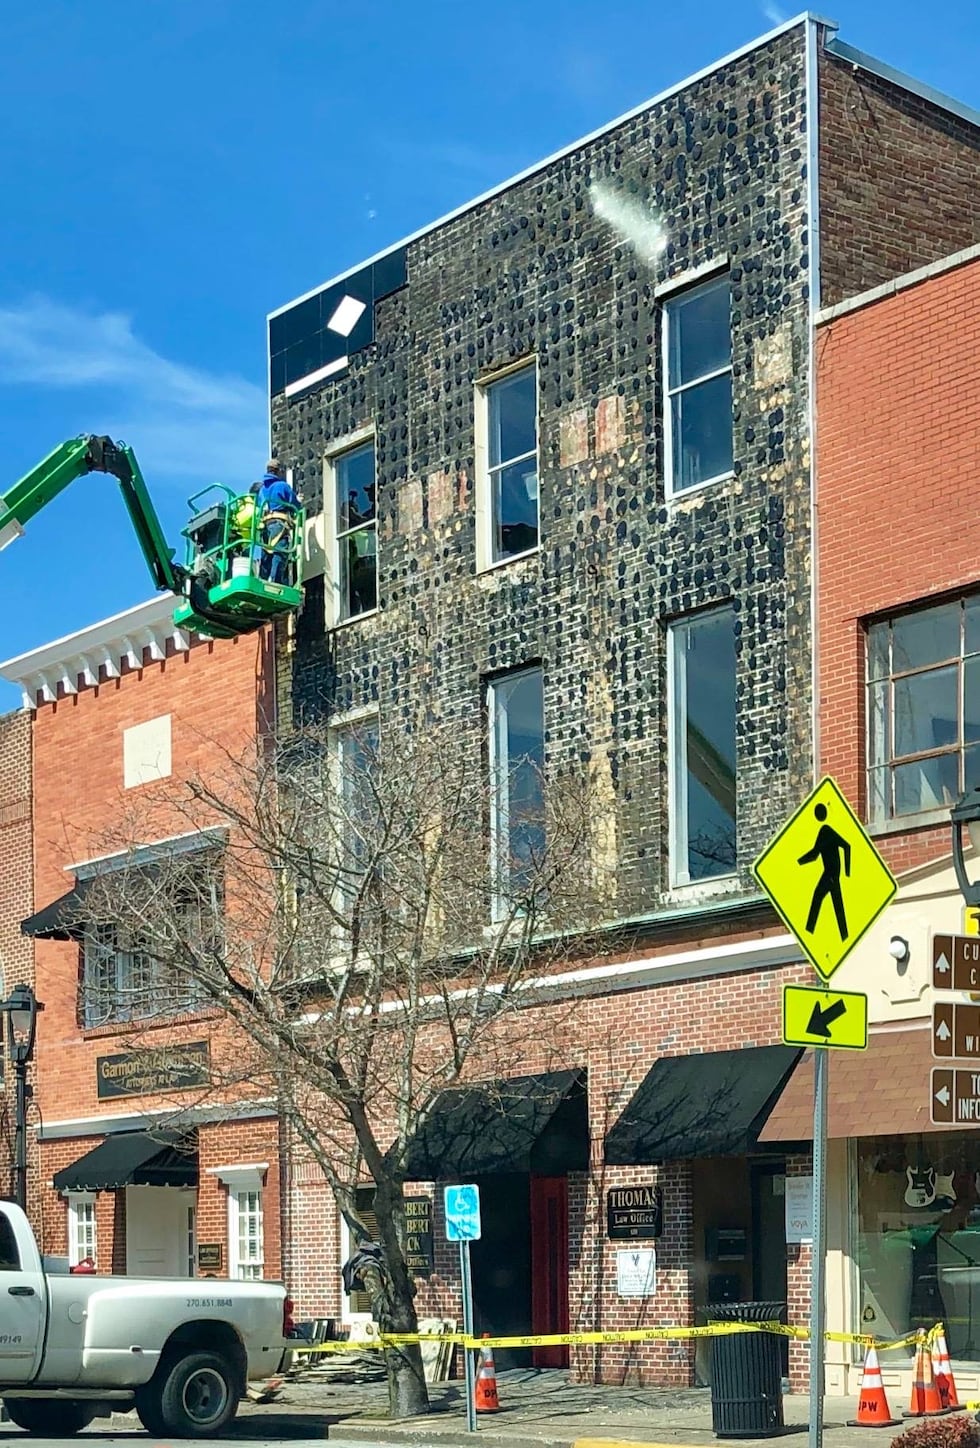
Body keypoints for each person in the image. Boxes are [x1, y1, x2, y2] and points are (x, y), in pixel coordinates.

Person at [254, 460, 300, 585]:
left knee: (267, 555)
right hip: (279, 523)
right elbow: (294, 503)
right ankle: (276, 582)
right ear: (279, 471)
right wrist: (299, 503)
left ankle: (262, 581)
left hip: (265, 525)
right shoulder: (282, 486)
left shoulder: (262, 490)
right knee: (280, 552)